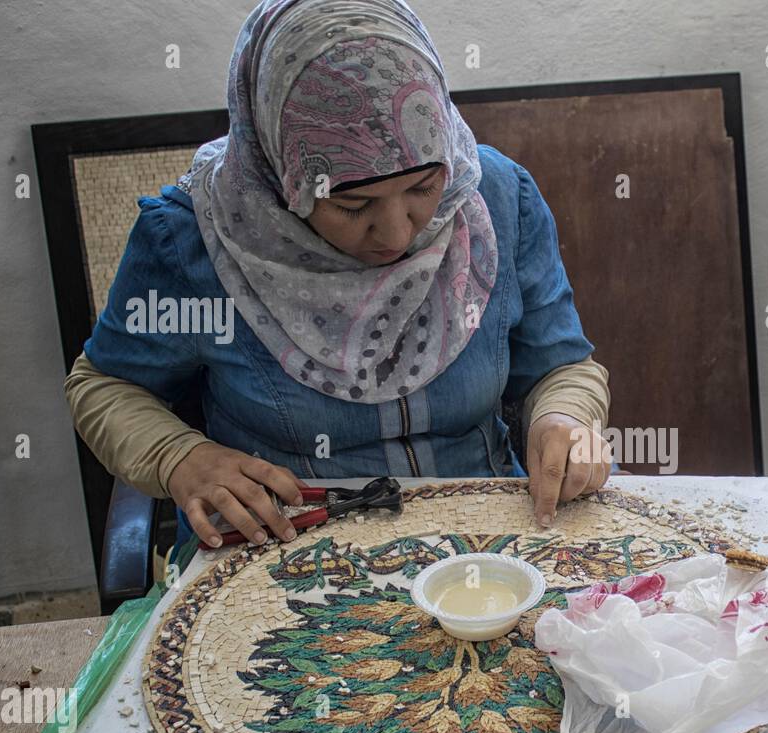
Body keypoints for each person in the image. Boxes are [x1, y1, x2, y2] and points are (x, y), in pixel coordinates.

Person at [65, 0, 612, 552]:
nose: (398, 235)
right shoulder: (195, 238)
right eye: (354, 205)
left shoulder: (494, 198)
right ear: (281, 174)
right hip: (285, 548)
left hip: (486, 541)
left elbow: (563, 365)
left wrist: (564, 417)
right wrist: (180, 458)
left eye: (423, 190)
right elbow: (103, 385)